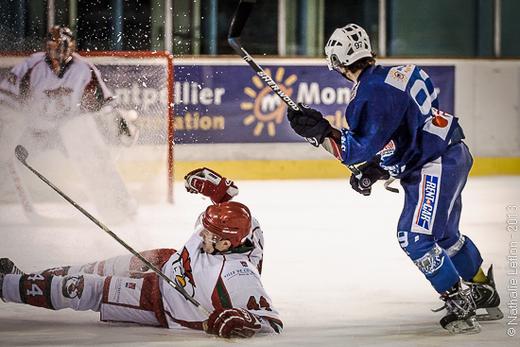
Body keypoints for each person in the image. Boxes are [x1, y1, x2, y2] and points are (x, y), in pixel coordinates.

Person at [286, 23, 502, 334]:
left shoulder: (369, 95)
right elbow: (405, 131)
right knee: (444, 235)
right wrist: (380, 168)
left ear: (335, 61)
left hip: (434, 164)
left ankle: (460, 303)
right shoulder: (404, 72)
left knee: (414, 238)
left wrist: (319, 132)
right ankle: (483, 290)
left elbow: (353, 151)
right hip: (451, 153)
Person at [0, 168, 283, 339]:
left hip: (164, 301)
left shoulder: (238, 278)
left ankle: (7, 286)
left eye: (210, 235)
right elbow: (231, 206)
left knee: (85, 288)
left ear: (226, 245)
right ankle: (26, 279)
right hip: (170, 260)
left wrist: (248, 321)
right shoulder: (243, 228)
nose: (202, 233)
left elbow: (271, 321)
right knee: (96, 268)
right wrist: (219, 195)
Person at [0, 25, 138, 223]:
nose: (57, 53)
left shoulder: (84, 69)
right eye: (53, 47)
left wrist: (119, 121)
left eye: (61, 47)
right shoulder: (32, 65)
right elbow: (6, 98)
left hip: (65, 128)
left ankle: (118, 207)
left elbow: (105, 103)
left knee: (95, 156)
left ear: (71, 47)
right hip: (34, 128)